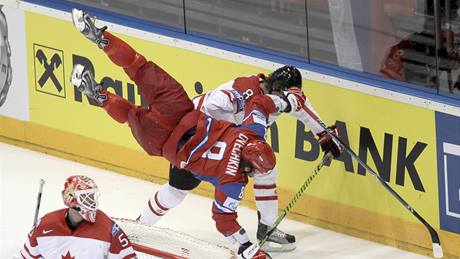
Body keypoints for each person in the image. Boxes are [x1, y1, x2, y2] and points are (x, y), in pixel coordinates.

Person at [70, 9, 341, 258]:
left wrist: (322, 133)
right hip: (174, 144)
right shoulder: (234, 174)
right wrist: (244, 247)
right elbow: (223, 217)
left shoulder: (253, 127)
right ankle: (102, 97)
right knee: (139, 128)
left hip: (182, 113)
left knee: (141, 68)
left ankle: (103, 40)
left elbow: (291, 106)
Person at [20, 175, 137, 259]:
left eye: (92, 196)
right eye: (86, 197)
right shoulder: (45, 225)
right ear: (71, 198)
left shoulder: (108, 228)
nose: (92, 202)